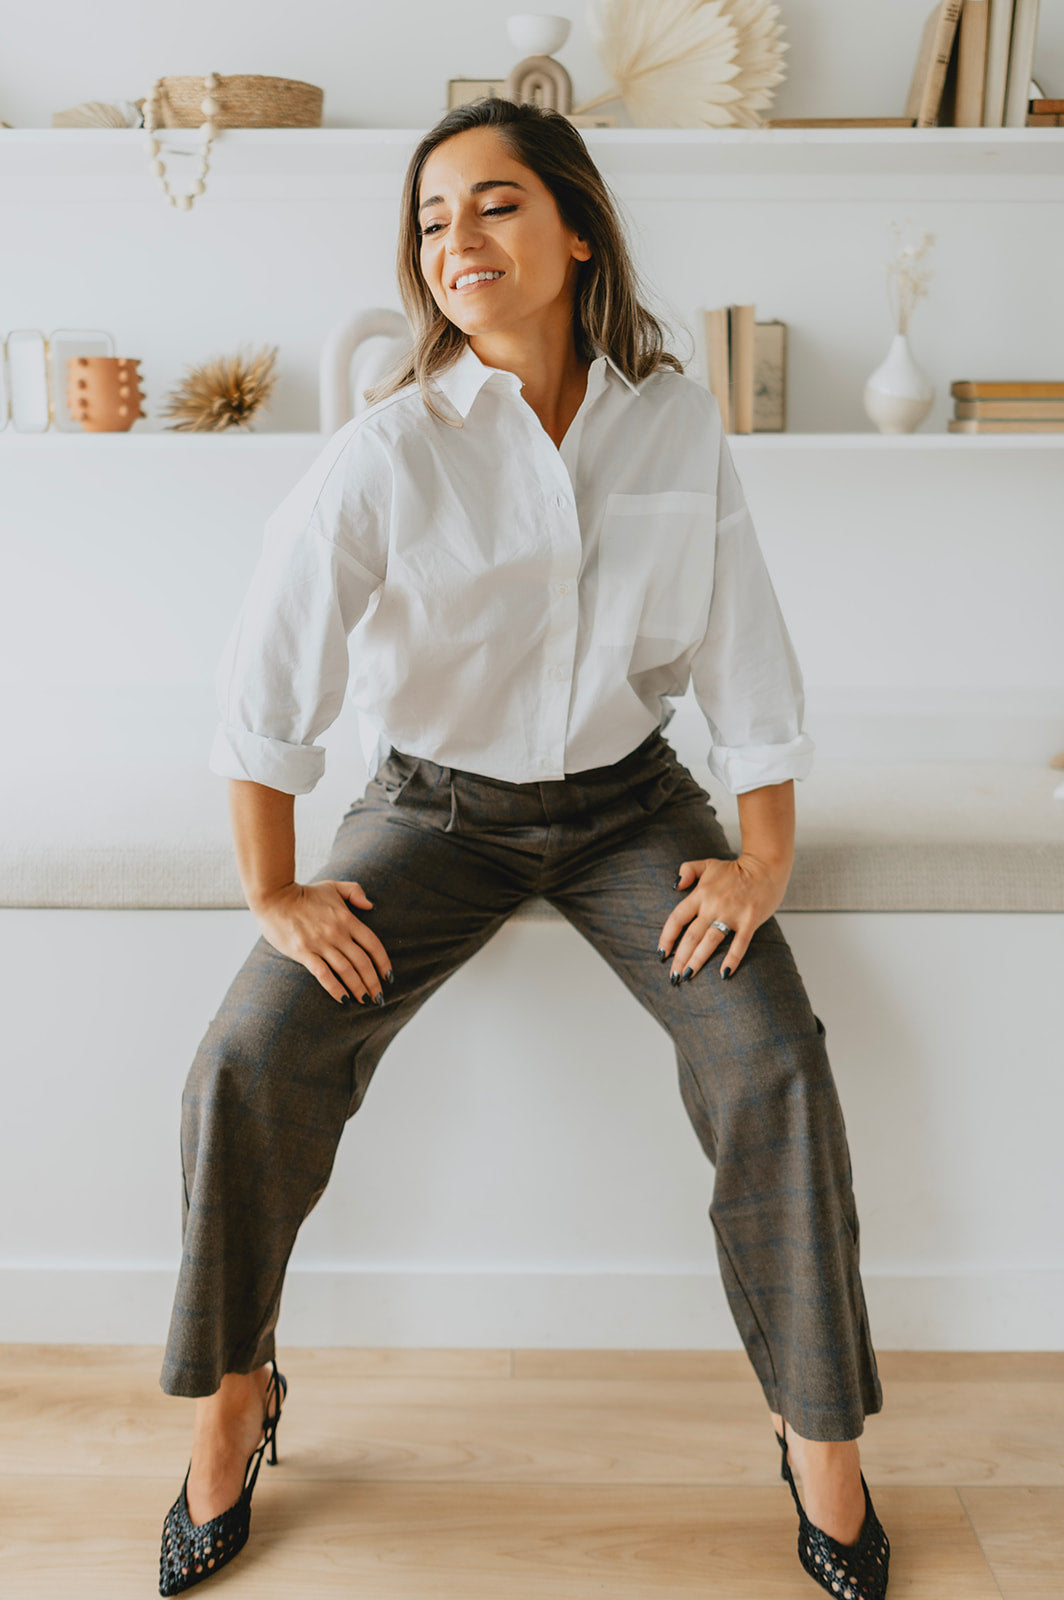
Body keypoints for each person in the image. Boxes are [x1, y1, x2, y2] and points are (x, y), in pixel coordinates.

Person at [157, 97, 890, 1600]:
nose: (458, 240)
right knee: (248, 1054)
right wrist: (273, 889)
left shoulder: (674, 422)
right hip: (434, 812)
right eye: (433, 220)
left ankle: (820, 1438)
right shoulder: (389, 447)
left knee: (771, 1057)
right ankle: (235, 1399)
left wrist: (763, 861)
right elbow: (267, 682)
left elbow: (750, 661)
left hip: (633, 808)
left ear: (577, 228)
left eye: (494, 204)